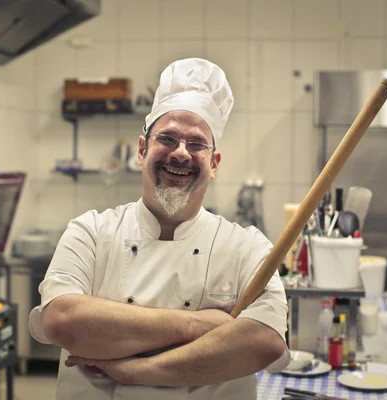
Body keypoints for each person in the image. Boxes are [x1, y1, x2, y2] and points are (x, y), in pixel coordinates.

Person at [29, 58, 290, 400]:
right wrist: (201, 324)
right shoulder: (91, 231)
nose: (180, 153)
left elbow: (264, 343)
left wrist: (136, 371)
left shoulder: (247, 247)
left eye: (196, 144)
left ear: (213, 164)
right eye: (167, 138)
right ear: (142, 150)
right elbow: (63, 321)